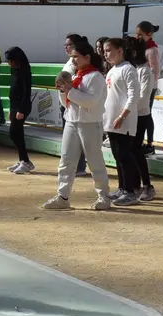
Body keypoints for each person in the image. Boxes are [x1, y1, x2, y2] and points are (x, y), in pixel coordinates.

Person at [44, 39, 111, 211]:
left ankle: (104, 196)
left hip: (90, 123)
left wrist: (69, 90)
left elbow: (91, 102)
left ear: (87, 57)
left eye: (76, 57)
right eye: (72, 57)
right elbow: (66, 102)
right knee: (66, 160)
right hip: (72, 121)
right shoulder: (76, 76)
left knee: (95, 161)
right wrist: (63, 91)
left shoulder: (96, 77)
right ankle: (63, 196)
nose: (73, 60)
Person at [102, 37, 141, 206]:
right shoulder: (112, 70)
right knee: (117, 156)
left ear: (120, 51)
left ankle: (130, 191)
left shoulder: (128, 69)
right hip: (111, 120)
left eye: (108, 50)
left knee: (124, 156)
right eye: (104, 51)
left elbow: (134, 96)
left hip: (124, 122)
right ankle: (122, 188)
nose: (106, 54)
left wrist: (122, 116)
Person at [128, 37, 156, 202]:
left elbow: (143, 98)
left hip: (140, 115)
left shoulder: (145, 71)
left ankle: (147, 185)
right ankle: (135, 185)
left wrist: (127, 109)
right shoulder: (131, 69)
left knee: (136, 150)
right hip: (130, 114)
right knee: (130, 151)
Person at [61, 34, 89, 177]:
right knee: (70, 139)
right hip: (67, 102)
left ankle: (79, 166)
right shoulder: (70, 62)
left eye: (69, 45)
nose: (66, 47)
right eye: (65, 45)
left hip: (74, 102)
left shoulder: (77, 65)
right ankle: (76, 166)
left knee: (78, 138)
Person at [5, 46, 33, 174]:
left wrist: (21, 110)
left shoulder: (25, 71)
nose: (8, 63)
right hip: (14, 105)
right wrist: (11, 109)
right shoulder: (15, 71)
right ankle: (23, 159)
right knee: (15, 133)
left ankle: (25, 161)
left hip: (22, 106)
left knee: (15, 132)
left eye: (10, 60)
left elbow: (26, 92)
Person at [136, 21, 162, 155]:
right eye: (136, 34)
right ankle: (139, 141)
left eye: (140, 35)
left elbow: (155, 71)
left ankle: (150, 143)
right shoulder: (141, 48)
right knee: (141, 114)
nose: (137, 37)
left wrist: (148, 84)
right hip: (140, 85)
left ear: (149, 34)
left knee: (146, 113)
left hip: (149, 87)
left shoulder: (152, 50)